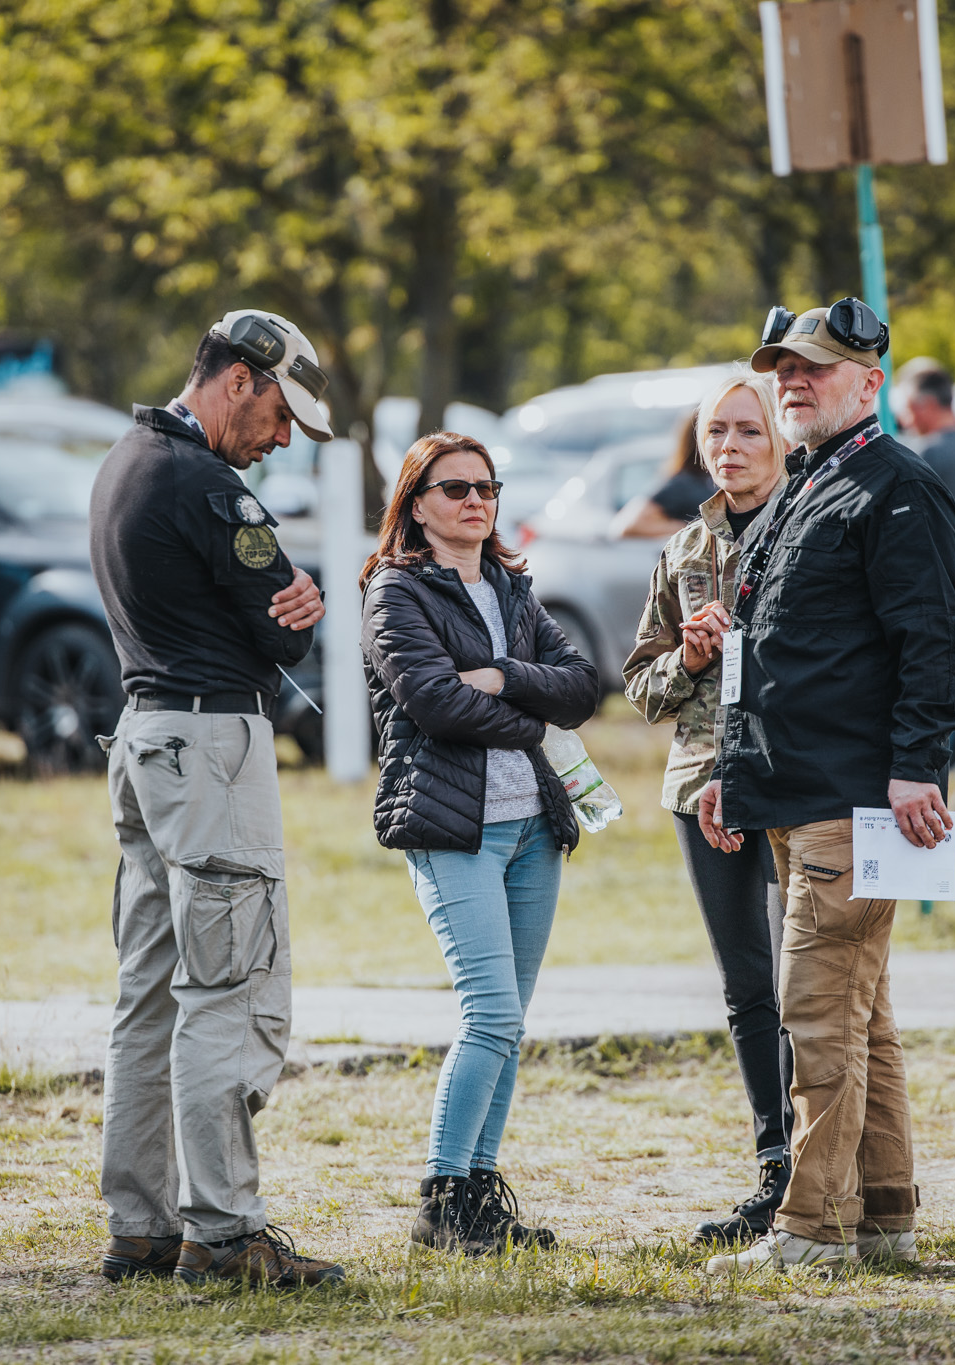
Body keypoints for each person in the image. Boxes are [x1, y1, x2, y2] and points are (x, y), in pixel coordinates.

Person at [696, 299, 955, 1274]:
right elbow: (770, 652)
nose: (791, 382)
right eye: (783, 368)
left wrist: (914, 768)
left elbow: (936, 644)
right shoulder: (812, 481)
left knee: (816, 1019)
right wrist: (730, 770)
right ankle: (884, 1216)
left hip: (852, 803)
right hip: (795, 793)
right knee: (863, 1020)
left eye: (812, 367)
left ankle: (812, 1230)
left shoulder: (896, 487)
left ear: (869, 382)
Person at [87, 308, 344, 1289]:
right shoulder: (207, 485)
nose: (281, 440)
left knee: (149, 990)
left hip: (146, 738)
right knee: (227, 987)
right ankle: (226, 1232)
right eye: (280, 416)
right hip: (208, 749)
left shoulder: (124, 462)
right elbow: (284, 633)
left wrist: (279, 609)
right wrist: (297, 606)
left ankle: (141, 1225)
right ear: (240, 378)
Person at [359, 432, 599, 1255]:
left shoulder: (511, 587)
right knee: (488, 1013)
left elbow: (583, 687)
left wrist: (502, 677)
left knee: (509, 1023)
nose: (475, 501)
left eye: (486, 488)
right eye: (455, 487)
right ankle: (439, 1201)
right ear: (416, 503)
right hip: (453, 827)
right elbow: (433, 703)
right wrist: (533, 715)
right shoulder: (395, 592)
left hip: (534, 828)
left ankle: (477, 1193)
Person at [621, 371, 797, 1245]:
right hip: (700, 792)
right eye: (715, 433)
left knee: (811, 986)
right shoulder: (686, 550)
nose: (729, 446)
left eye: (748, 430)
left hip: (794, 787)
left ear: (782, 440)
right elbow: (640, 689)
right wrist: (688, 660)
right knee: (747, 987)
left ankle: (826, 1173)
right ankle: (775, 1172)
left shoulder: (809, 528)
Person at [895, 357, 955, 625]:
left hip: (936, 586)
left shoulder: (925, 454)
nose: (903, 419)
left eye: (907, 408)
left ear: (926, 404)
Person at [612, 415, 716, 538]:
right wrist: (689, 529)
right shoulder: (684, 483)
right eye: (716, 431)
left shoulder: (712, 481)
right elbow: (628, 525)